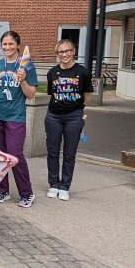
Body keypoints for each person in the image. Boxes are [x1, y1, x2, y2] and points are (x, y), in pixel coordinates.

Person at [0, 31, 38, 208]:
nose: (7, 47)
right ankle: (2, 190)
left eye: (11, 44)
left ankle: (26, 193)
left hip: (15, 116)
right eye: (4, 44)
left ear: (18, 45)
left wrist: (22, 80)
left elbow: (31, 94)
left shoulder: (27, 66)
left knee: (15, 154)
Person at [44, 39, 93, 202]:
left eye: (67, 51)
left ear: (73, 52)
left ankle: (65, 186)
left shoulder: (83, 72)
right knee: (52, 151)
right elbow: (52, 93)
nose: (64, 54)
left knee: (69, 154)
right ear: (57, 54)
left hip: (73, 117)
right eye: (60, 52)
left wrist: (77, 110)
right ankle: (53, 184)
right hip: (53, 116)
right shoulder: (52, 72)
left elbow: (87, 96)